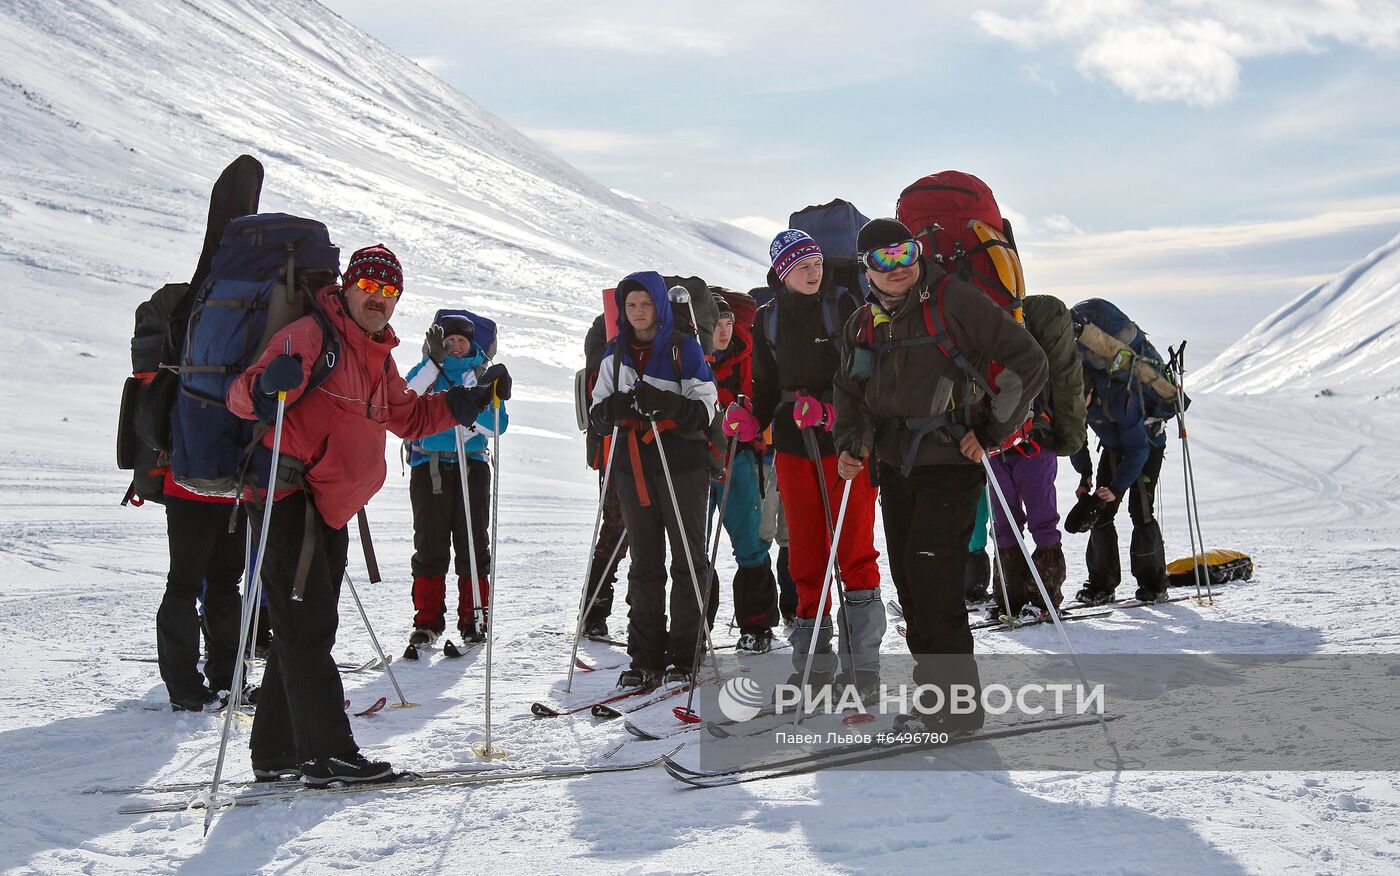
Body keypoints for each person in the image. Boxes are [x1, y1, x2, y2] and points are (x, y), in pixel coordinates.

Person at [228, 244, 510, 785]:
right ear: (349, 287)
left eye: (389, 292)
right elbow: (241, 395)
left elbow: (409, 417)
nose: (378, 299)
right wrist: (268, 386)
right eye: (370, 288)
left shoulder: (376, 355)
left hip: (330, 510)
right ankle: (328, 753)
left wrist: (466, 406)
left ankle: (275, 751)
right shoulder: (312, 335)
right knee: (306, 630)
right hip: (290, 502)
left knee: (303, 629)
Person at [832, 218, 1047, 732]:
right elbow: (849, 393)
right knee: (909, 583)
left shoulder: (955, 300)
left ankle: (956, 710)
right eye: (884, 260)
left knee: (935, 584)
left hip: (951, 463)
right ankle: (937, 699)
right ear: (867, 270)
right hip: (894, 466)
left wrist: (993, 431)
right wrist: (851, 441)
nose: (899, 267)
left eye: (905, 253)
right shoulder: (862, 323)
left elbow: (1030, 360)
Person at [735, 229, 882, 696]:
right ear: (783, 272)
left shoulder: (844, 308)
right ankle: (813, 666)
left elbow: (868, 378)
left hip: (845, 448)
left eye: (816, 262)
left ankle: (863, 668)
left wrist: (830, 411)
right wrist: (749, 417)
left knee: (854, 550)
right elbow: (764, 388)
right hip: (796, 450)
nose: (813, 271)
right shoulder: (767, 320)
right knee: (805, 555)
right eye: (802, 266)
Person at [588, 272, 718, 690]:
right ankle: (644, 655)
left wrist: (666, 404)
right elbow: (597, 413)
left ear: (659, 306)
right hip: (633, 468)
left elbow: (706, 408)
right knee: (644, 563)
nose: (638, 312)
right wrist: (616, 407)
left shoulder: (684, 348)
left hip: (682, 466)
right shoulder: (614, 353)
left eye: (645, 304)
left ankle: (684, 653)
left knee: (687, 559)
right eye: (630, 305)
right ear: (621, 310)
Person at [403, 313, 509, 647]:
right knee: (429, 545)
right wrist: (433, 363)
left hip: (472, 466)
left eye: (462, 340)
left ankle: (474, 617)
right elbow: (406, 400)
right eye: (449, 340)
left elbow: (498, 426)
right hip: (428, 466)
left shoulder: (481, 375)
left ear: (472, 343)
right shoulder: (426, 371)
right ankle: (427, 621)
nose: (456, 346)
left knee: (473, 544)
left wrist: (470, 419)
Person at [987, 294, 1085, 619]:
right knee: (1015, 523)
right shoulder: (995, 340)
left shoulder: (1019, 345)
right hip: (1014, 445)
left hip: (1029, 442)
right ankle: (1018, 600)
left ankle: (1036, 601)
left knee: (1030, 523)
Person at [1069, 302, 1170, 606]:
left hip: (1147, 447)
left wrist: (1115, 488)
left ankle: (1154, 585)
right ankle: (1101, 585)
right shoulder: (1077, 397)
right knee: (1099, 512)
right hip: (1114, 449)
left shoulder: (1119, 396)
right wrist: (1085, 476)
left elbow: (1138, 449)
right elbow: (1077, 438)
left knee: (1141, 511)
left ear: (1090, 393)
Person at [708, 290, 779, 653]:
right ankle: (696, 627)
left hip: (739, 457)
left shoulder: (748, 357)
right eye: (717, 324)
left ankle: (757, 625)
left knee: (750, 542)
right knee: (693, 547)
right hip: (698, 459)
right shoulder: (688, 356)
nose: (723, 331)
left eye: (728, 323)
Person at [155, 473, 246, 711]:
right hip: (237, 489)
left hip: (188, 486)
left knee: (187, 587)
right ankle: (222, 681)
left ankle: (195, 687)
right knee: (214, 587)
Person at [580, 312, 627, 638]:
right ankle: (594, 613)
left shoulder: (603, 329)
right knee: (616, 535)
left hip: (614, 454)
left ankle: (595, 613)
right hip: (616, 454)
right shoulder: (606, 334)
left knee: (615, 536)